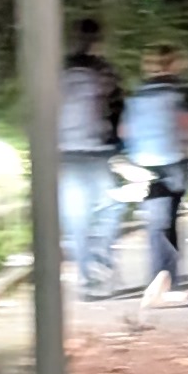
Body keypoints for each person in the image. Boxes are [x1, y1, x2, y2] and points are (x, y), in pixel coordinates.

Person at [119, 43, 188, 307]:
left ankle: (163, 280)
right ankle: (165, 282)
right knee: (169, 222)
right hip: (174, 160)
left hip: (142, 163)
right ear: (175, 63)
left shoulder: (138, 92)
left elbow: (125, 130)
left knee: (157, 223)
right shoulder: (183, 91)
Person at [58, 20, 124, 300]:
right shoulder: (103, 70)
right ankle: (98, 261)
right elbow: (118, 109)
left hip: (63, 154)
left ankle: (85, 278)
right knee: (111, 206)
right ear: (98, 41)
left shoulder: (56, 70)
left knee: (75, 215)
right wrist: (120, 147)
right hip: (98, 151)